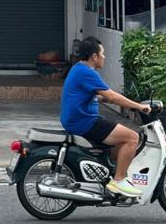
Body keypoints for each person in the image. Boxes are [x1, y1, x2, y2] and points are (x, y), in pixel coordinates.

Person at [61, 36, 151, 198]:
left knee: (119, 137)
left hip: (79, 119)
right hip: (83, 122)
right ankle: (119, 180)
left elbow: (94, 95)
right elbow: (112, 96)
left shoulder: (78, 68)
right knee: (132, 137)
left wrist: (103, 98)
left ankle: (110, 174)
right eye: (102, 53)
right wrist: (139, 106)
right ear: (94, 56)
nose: (104, 56)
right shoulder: (87, 72)